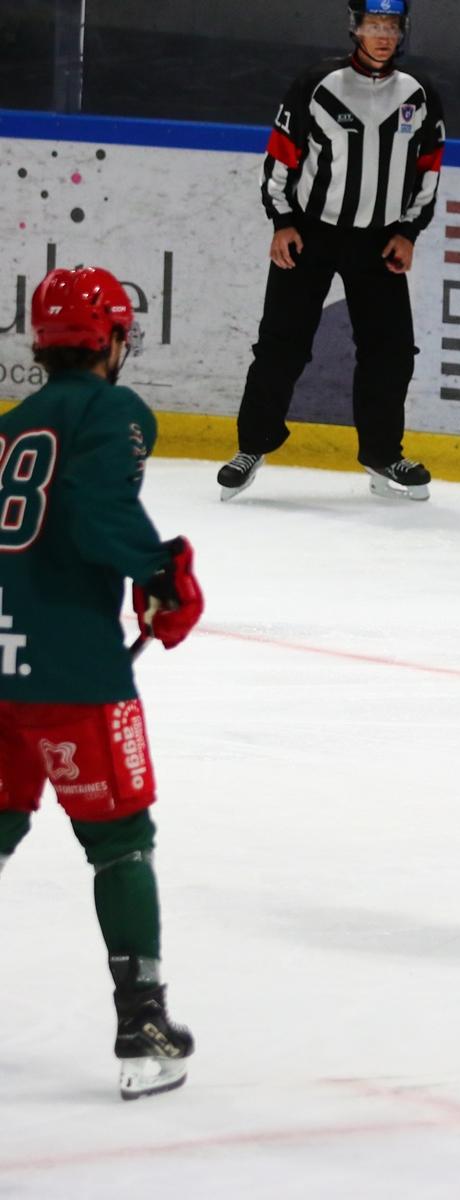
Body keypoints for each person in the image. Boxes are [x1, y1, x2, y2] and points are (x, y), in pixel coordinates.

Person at [0, 268, 205, 1099]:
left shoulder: (9, 426)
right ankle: (141, 1024)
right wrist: (159, 571)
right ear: (114, 339)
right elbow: (94, 508)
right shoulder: (114, 412)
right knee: (120, 841)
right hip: (73, 671)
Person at [217, 0, 445, 502]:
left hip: (380, 242)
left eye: (391, 26)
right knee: (280, 346)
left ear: (402, 31)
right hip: (310, 236)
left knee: (391, 353)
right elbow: (281, 158)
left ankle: (382, 454)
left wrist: (409, 231)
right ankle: (251, 446)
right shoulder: (317, 85)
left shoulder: (419, 93)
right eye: (373, 25)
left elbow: (429, 169)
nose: (383, 35)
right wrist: (282, 222)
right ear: (355, 28)